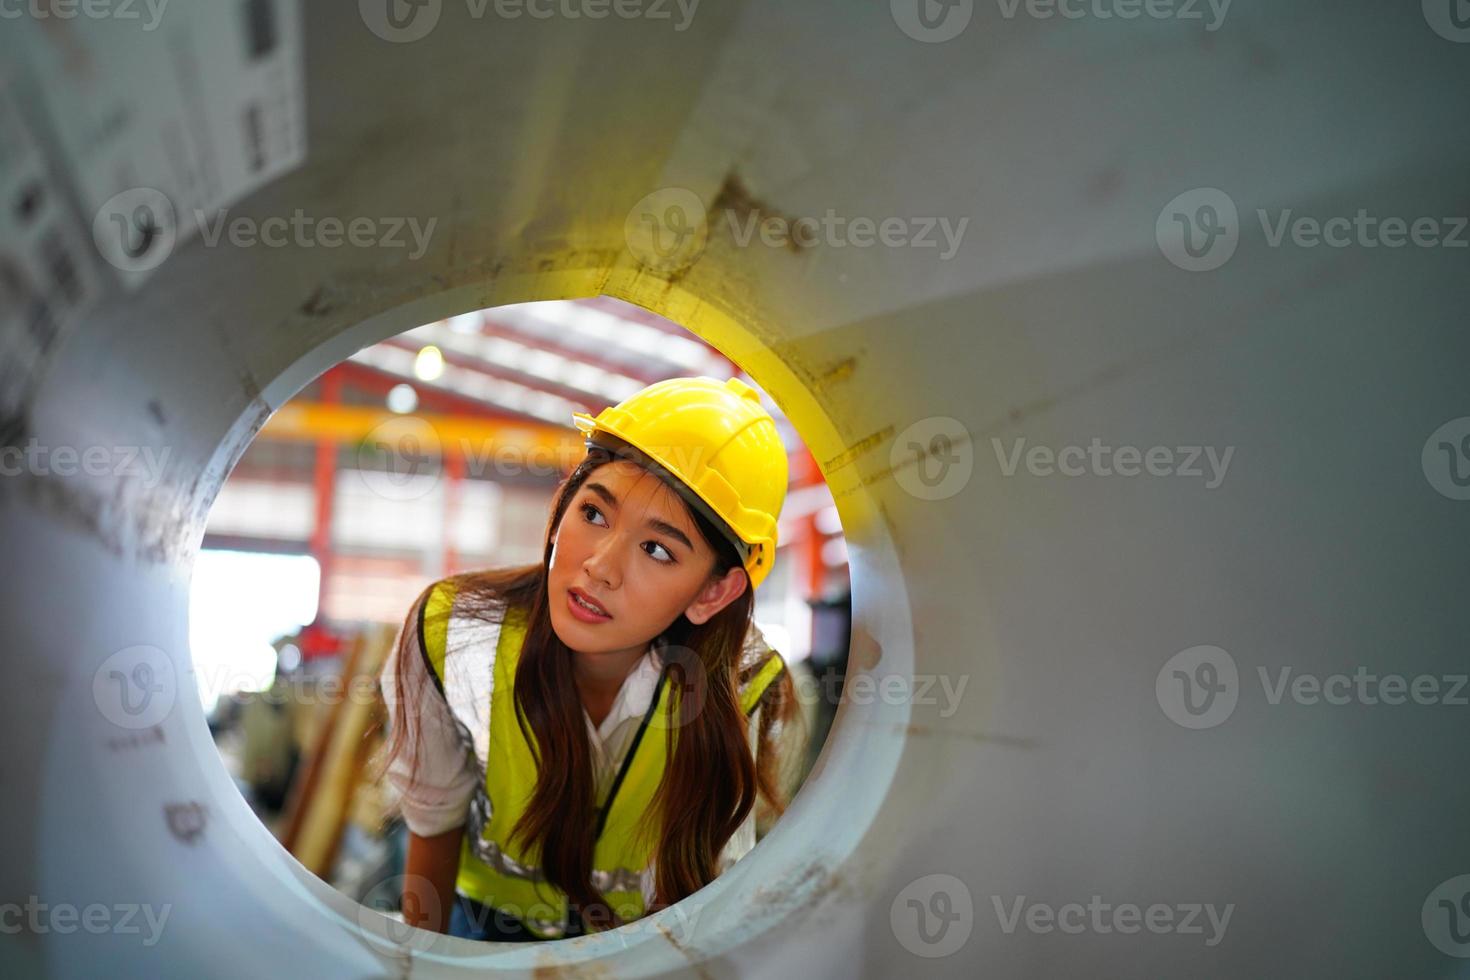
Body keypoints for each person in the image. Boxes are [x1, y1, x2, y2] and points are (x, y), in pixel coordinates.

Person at [374, 375, 806, 941]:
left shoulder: (742, 682)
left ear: (712, 593)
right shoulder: (454, 631)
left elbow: (696, 904)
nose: (600, 565)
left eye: (657, 549)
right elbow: (431, 828)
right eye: (595, 513)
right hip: (474, 933)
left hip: (633, 951)